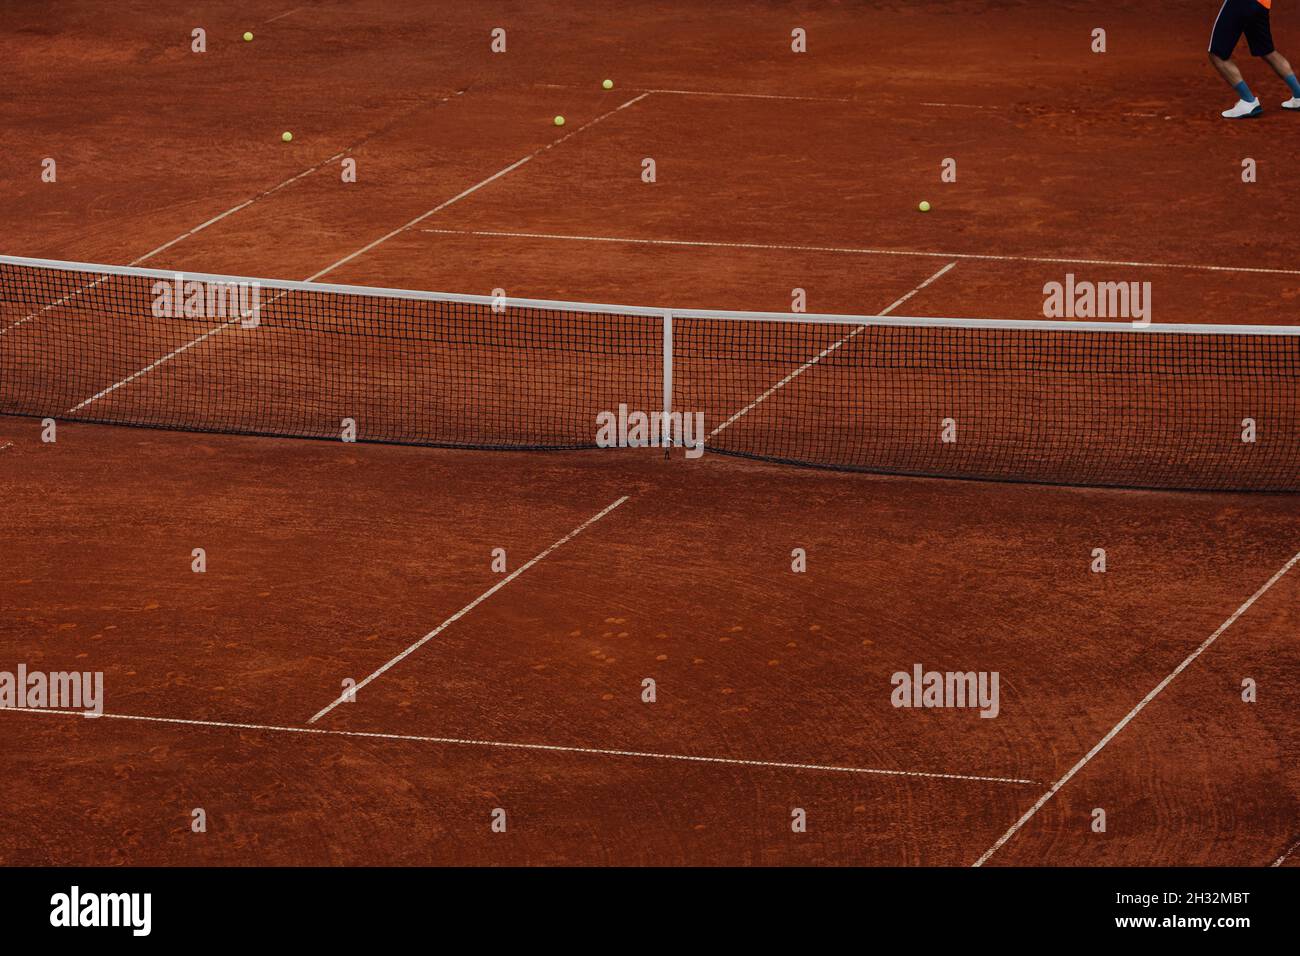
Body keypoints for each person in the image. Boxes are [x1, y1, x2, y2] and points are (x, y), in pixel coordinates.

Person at [1209, 0, 1300, 117]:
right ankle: (1298, 94)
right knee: (1268, 52)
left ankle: (1248, 101)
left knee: (1217, 55)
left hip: (1240, 3)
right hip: (1262, 3)